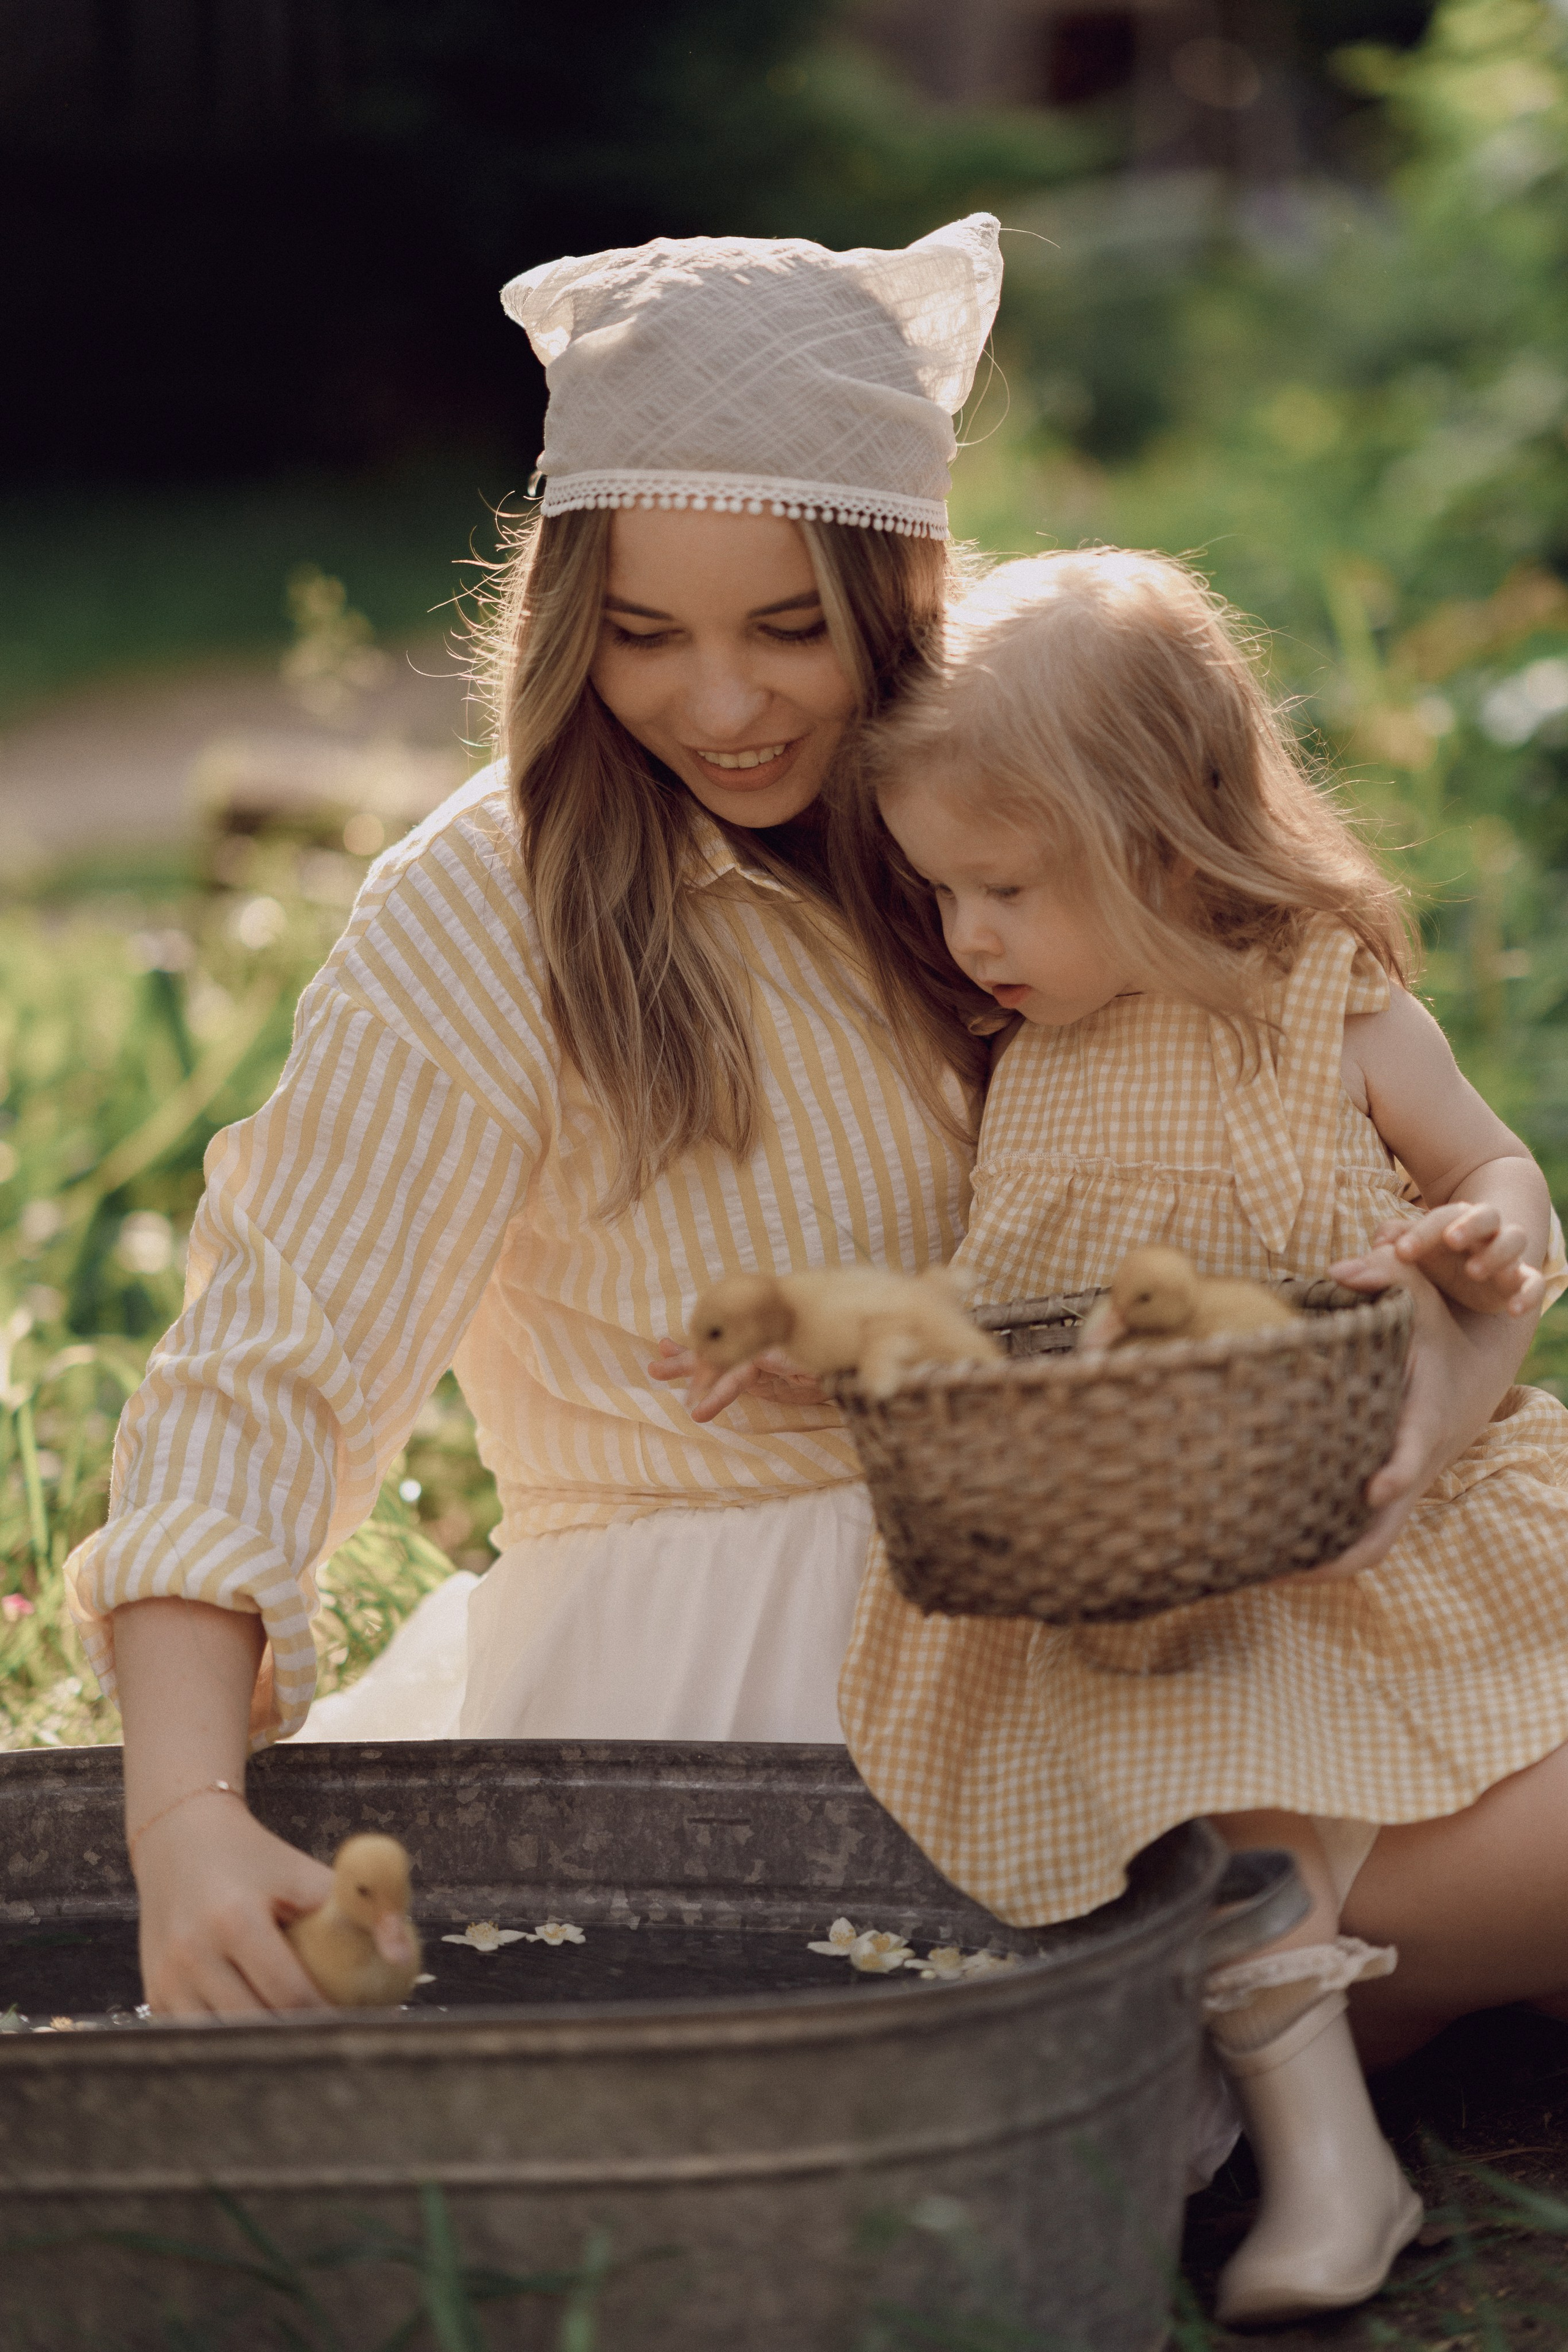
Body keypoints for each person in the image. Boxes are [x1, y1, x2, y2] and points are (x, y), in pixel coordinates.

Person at [66, 214, 1005, 2017]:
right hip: (751, 1692)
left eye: (792, 630)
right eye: (644, 636)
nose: (718, 707)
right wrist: (181, 1811)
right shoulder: (494, 903)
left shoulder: (992, 813)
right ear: (573, 617)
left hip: (1077, 1587)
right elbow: (267, 1369)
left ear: (906, 592)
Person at [833, 548, 1568, 2327]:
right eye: (945, 894)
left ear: (1163, 848)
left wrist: (1484, 1231)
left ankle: (1414, 2068)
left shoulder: (1332, 1002)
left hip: (1407, 1498)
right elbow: (991, 1311)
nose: (969, 938)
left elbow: (1497, 1170)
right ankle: (1332, 2157)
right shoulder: (1027, 1057)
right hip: (1163, 1569)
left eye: (1003, 888)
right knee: (1226, 1749)